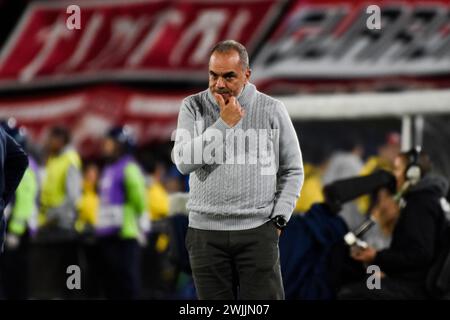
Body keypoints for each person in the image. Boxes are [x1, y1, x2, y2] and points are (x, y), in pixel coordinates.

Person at [173, 40, 304, 300]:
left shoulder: (271, 109)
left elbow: (292, 170)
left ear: (246, 75)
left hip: (257, 232)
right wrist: (223, 125)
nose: (219, 84)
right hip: (205, 234)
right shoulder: (192, 106)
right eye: (213, 75)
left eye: (228, 76)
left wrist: (279, 218)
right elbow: (183, 162)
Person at [338, 147, 449, 299]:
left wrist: (376, 257)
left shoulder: (420, 204)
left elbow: (419, 254)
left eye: (397, 169)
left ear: (412, 173)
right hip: (398, 277)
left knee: (350, 294)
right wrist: (376, 259)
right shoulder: (427, 200)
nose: (394, 175)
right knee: (368, 282)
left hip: (413, 287)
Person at [96, 126, 147, 299]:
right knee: (111, 284)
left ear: (120, 145)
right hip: (108, 235)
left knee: (126, 283)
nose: (105, 146)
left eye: (109, 142)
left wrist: (141, 227)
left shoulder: (128, 168)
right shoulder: (109, 168)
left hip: (125, 235)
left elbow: (139, 202)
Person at [0, 119, 38, 299]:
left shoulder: (25, 167)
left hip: (18, 234)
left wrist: (14, 232)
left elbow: (24, 203)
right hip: (11, 232)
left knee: (16, 279)